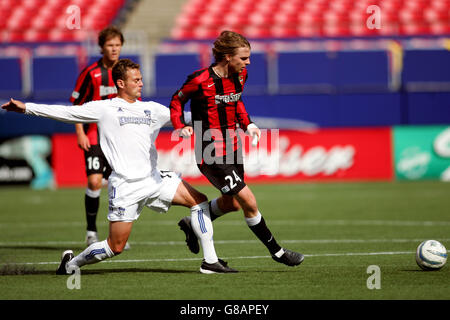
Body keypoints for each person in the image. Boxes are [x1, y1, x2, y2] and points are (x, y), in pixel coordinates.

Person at [1, 59, 237, 274]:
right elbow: (67, 112)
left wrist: (226, 117)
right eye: (136, 80)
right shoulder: (105, 108)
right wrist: (26, 108)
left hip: (154, 180)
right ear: (121, 83)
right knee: (116, 246)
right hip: (125, 186)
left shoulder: (152, 109)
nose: (141, 83)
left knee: (199, 201)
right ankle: (71, 264)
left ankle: (210, 262)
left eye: (141, 79)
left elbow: (188, 117)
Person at [169, 30, 304, 267]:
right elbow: (177, 100)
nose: (248, 62)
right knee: (248, 201)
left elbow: (237, 101)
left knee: (230, 203)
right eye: (243, 58)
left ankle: (192, 223)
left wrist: (248, 123)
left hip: (232, 145)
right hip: (210, 149)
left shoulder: (241, 76)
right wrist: (180, 126)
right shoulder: (200, 80)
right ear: (227, 57)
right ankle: (278, 252)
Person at [70, 26, 124, 246]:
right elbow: (76, 104)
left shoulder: (125, 71)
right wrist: (80, 131)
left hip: (119, 139)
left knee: (118, 184)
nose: (114, 49)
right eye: (110, 45)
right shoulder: (90, 73)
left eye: (118, 45)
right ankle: (91, 231)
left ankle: (117, 233)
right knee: (94, 182)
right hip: (94, 135)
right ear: (101, 48)